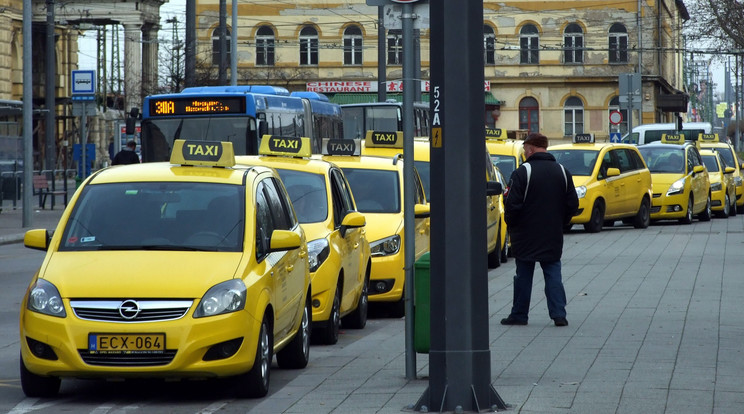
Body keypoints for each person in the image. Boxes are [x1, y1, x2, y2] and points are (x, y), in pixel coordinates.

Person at [501, 132, 579, 327]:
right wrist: (561, 222)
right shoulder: (562, 171)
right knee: (553, 273)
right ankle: (559, 314)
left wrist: (513, 224)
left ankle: (519, 314)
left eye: (525, 148)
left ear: (530, 148)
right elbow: (573, 204)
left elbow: (512, 204)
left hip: (525, 234)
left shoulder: (522, 172)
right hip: (552, 233)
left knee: (523, 275)